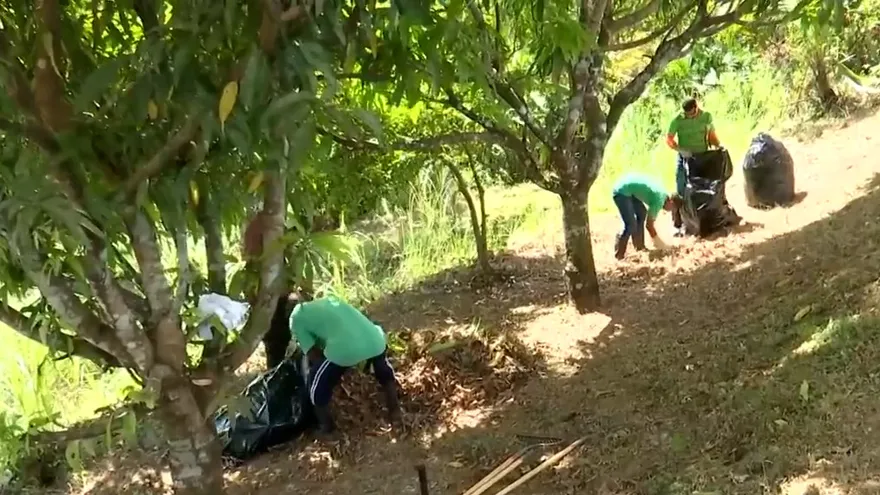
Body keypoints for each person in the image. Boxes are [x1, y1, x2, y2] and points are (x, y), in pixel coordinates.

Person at [289, 294, 403, 435]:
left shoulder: (295, 317)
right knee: (383, 369)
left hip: (347, 349)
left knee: (315, 382)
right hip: (375, 338)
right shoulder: (328, 300)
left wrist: (337, 371)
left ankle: (326, 426)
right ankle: (395, 411)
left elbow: (314, 355)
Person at [612, 173, 679, 260]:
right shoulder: (659, 201)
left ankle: (639, 247)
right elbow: (649, 226)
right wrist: (659, 243)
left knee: (641, 213)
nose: (670, 211)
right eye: (672, 208)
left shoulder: (663, 194)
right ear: (671, 202)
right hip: (621, 192)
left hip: (628, 189)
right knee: (630, 225)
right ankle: (619, 255)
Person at [666, 98, 722, 197]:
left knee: (707, 183)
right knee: (681, 181)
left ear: (696, 107)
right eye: (688, 114)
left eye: (692, 113)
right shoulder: (677, 120)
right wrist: (680, 150)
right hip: (685, 156)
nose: (690, 116)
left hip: (702, 155)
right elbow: (669, 139)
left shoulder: (706, 117)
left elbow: (711, 135)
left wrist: (718, 145)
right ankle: (682, 203)